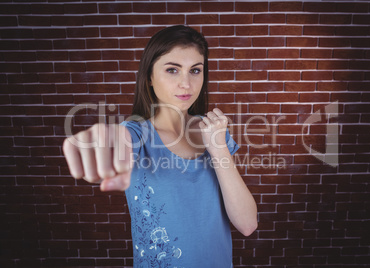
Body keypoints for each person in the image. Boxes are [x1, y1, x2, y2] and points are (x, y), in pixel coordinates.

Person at [63, 25, 257, 267]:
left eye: (195, 70)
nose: (186, 83)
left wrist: (218, 150)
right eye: (172, 70)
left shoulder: (212, 132)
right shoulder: (134, 134)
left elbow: (247, 224)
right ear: (150, 77)